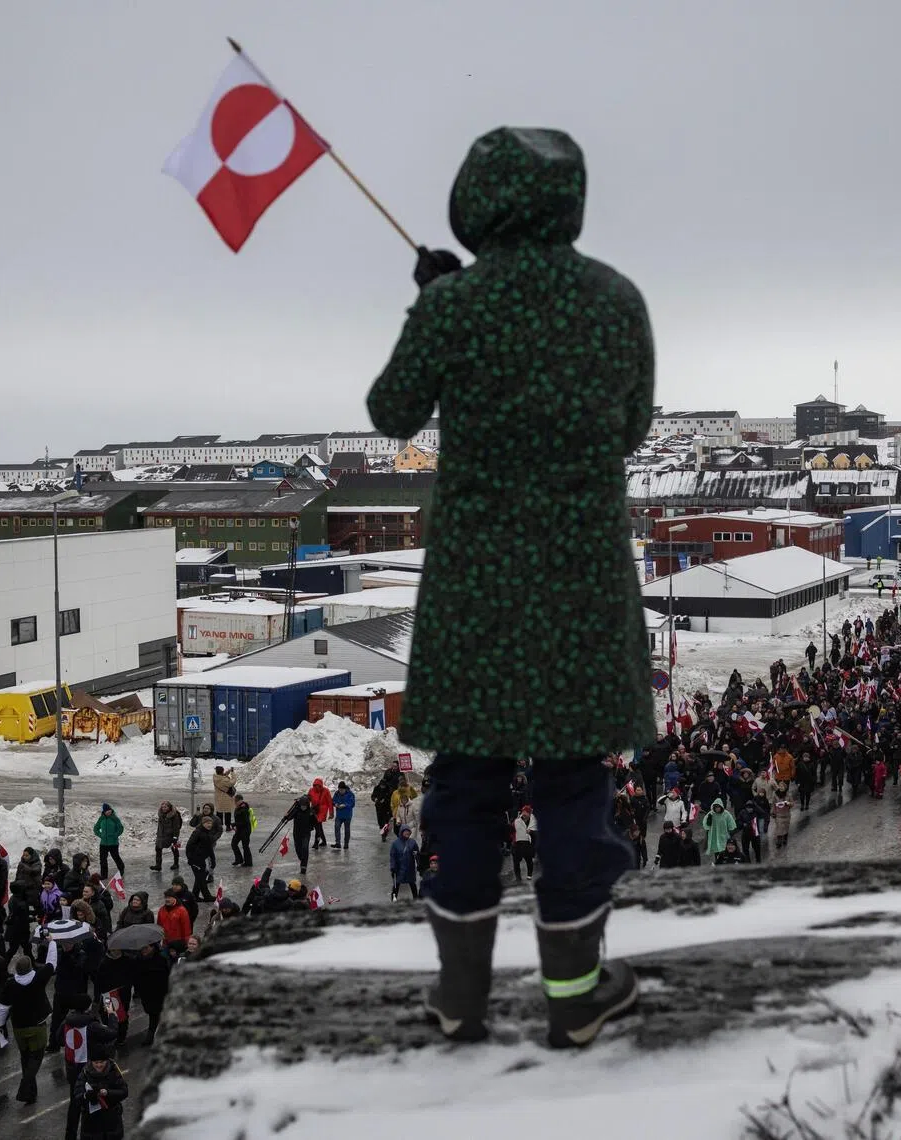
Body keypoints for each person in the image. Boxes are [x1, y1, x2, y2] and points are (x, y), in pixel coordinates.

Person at [368, 126, 653, 1049]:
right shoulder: (615, 301)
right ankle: (572, 993)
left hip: (476, 587)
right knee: (575, 786)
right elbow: (631, 429)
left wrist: (438, 305)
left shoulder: (458, 306)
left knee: (467, 786)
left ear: (473, 200)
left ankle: (459, 998)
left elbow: (391, 411)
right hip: (579, 580)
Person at [0, 952, 55, 1104]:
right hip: (37, 1026)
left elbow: (3, 1007)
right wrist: (52, 942)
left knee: (25, 1058)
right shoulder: (38, 978)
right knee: (36, 1058)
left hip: (18, 1028)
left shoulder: (10, 984)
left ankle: (31, 1093)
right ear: (30, 967)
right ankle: (25, 1086)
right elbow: (51, 963)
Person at [61, 993, 118, 1140]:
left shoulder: (67, 1022)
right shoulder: (92, 1025)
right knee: (94, 1104)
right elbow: (111, 1033)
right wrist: (112, 1014)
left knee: (75, 1103)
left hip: (72, 1069)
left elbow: (58, 1038)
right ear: (88, 1007)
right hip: (89, 1071)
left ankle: (70, 1135)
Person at [71, 1049, 128, 1139]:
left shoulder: (114, 1071)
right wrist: (86, 1096)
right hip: (91, 1125)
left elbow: (124, 1092)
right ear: (91, 1062)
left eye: (102, 1062)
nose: (99, 1065)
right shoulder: (84, 1074)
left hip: (112, 1122)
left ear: (107, 1061)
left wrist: (108, 1093)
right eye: (96, 1062)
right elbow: (77, 1096)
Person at [278, 794, 317, 876]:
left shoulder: (310, 812)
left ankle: (303, 867)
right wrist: (286, 817)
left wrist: (315, 830)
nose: (303, 807)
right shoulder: (297, 810)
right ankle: (302, 860)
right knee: (298, 849)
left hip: (306, 833)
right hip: (297, 833)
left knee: (305, 848)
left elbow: (316, 823)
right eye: (302, 806)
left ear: (307, 805)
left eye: (304, 806)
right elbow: (289, 817)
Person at [185, 816, 218, 902]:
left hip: (201, 859)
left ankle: (195, 895)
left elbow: (209, 848)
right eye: (207, 823)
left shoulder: (207, 833)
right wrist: (190, 859)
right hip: (195, 859)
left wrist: (213, 860)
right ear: (203, 824)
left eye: (210, 823)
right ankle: (207, 896)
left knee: (200, 877)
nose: (209, 825)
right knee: (201, 878)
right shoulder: (197, 832)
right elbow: (189, 846)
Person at [94, 804, 125, 879]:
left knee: (116, 857)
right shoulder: (101, 818)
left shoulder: (115, 818)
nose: (108, 812)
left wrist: (115, 835)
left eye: (109, 810)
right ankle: (104, 875)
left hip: (113, 843)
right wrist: (101, 835)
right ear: (104, 812)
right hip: (103, 843)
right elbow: (96, 828)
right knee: (103, 859)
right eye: (107, 811)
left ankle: (121, 868)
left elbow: (120, 828)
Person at [390, 825, 420, 901]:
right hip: (399, 868)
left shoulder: (413, 842)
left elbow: (416, 854)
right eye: (405, 831)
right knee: (396, 885)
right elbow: (392, 856)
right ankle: (393, 899)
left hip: (410, 867)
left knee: (412, 884)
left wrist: (419, 864)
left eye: (408, 831)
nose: (407, 833)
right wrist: (392, 867)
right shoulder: (395, 843)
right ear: (401, 832)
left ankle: (416, 900)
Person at [151, 801, 182, 872]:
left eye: (165, 807)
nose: (164, 808)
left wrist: (175, 837)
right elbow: (160, 825)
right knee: (158, 848)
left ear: (169, 807)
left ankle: (176, 863)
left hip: (171, 835)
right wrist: (158, 833)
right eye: (162, 807)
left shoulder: (175, 815)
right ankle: (158, 865)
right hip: (161, 835)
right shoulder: (161, 814)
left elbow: (176, 827)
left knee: (174, 848)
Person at [370, 765, 399, 839]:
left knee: (386, 822)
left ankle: (384, 835)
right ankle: (383, 831)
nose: (382, 787)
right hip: (378, 807)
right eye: (381, 786)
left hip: (387, 807)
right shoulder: (376, 788)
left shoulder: (389, 789)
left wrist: (385, 800)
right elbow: (373, 796)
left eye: (383, 786)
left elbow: (391, 798)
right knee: (380, 822)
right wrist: (375, 799)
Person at [307, 778, 334, 850]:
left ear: (321, 785)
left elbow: (329, 802)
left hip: (322, 811)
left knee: (318, 826)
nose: (317, 787)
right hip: (314, 811)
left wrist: (331, 813)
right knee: (318, 827)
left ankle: (316, 843)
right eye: (315, 785)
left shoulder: (326, 791)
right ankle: (324, 841)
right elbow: (307, 799)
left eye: (318, 785)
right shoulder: (311, 790)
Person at [512, 804, 536, 880]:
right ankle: (518, 878)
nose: (524, 814)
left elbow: (537, 834)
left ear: (529, 814)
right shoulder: (516, 821)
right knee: (516, 862)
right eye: (523, 812)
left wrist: (531, 832)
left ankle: (529, 875)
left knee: (529, 861)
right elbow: (512, 831)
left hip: (527, 844)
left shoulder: (533, 822)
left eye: (526, 813)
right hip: (517, 844)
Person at [231, 793, 255, 868]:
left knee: (245, 846)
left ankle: (248, 862)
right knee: (234, 843)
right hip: (240, 830)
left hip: (245, 830)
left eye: (235, 801)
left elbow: (245, 822)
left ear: (239, 801)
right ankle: (239, 859)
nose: (234, 803)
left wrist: (235, 824)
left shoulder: (244, 809)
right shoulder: (239, 807)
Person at [331, 780, 356, 849]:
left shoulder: (350, 794)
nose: (340, 791)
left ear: (345, 789)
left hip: (347, 815)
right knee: (336, 827)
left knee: (347, 829)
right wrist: (335, 804)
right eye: (339, 789)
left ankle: (346, 843)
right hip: (339, 815)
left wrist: (345, 805)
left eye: (342, 790)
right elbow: (333, 800)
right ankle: (338, 843)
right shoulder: (336, 793)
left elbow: (352, 803)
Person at [213, 765, 237, 830]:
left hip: (218, 797)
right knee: (227, 812)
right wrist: (232, 773)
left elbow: (223, 775)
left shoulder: (215, 777)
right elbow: (233, 782)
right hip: (226, 797)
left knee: (219, 812)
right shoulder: (224, 780)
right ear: (222, 771)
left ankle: (219, 826)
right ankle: (228, 826)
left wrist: (228, 771)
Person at [772, 785, 793, 850]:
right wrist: (773, 812)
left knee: (786, 827)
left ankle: (785, 838)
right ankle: (779, 842)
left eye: (783, 786)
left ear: (785, 788)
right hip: (778, 814)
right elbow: (773, 804)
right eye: (780, 786)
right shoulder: (775, 794)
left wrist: (789, 803)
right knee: (779, 828)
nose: (781, 787)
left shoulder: (788, 795)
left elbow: (792, 803)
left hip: (786, 814)